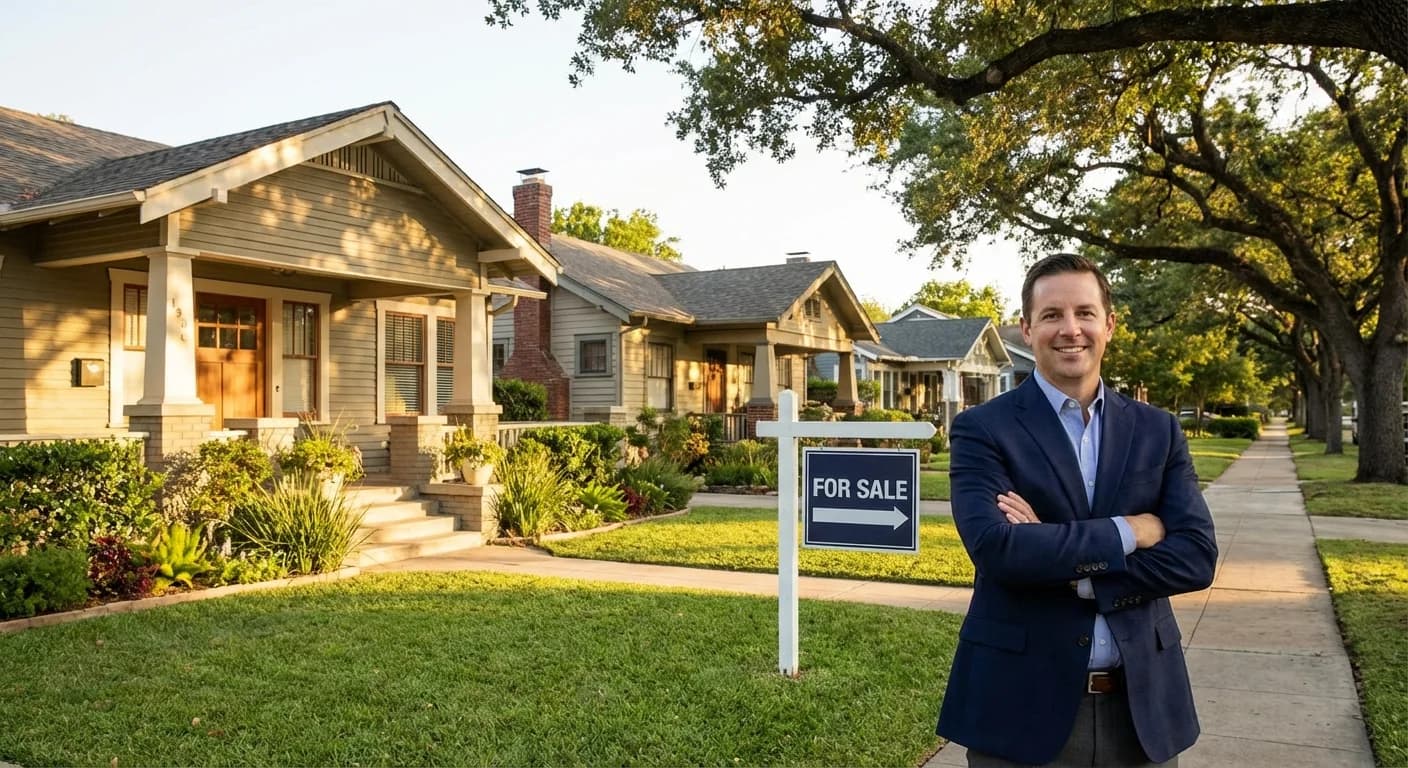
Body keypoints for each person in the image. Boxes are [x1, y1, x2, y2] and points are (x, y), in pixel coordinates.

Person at [935, 253, 1217, 767]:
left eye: (1085, 313)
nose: (1071, 329)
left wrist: (1069, 565)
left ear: (1109, 324)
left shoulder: (1158, 430)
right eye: (1052, 315)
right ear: (1026, 329)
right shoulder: (983, 429)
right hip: (1019, 707)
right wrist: (1131, 529)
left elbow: (1196, 558)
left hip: (1142, 711)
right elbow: (999, 550)